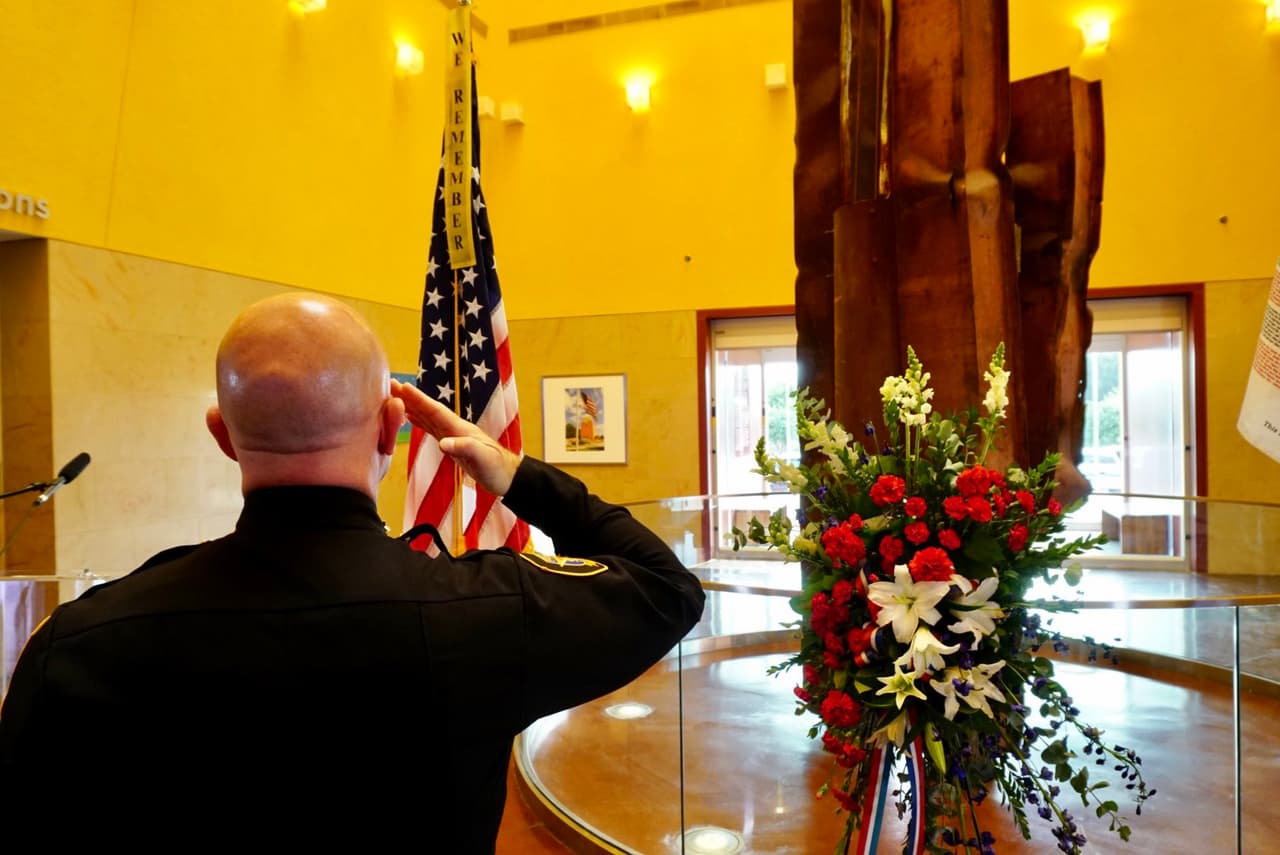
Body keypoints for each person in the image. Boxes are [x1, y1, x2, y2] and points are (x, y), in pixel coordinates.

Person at [0, 293, 705, 847]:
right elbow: (666, 587)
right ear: (390, 427)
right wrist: (513, 472)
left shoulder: (79, 646)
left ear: (223, 434)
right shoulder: (486, 613)